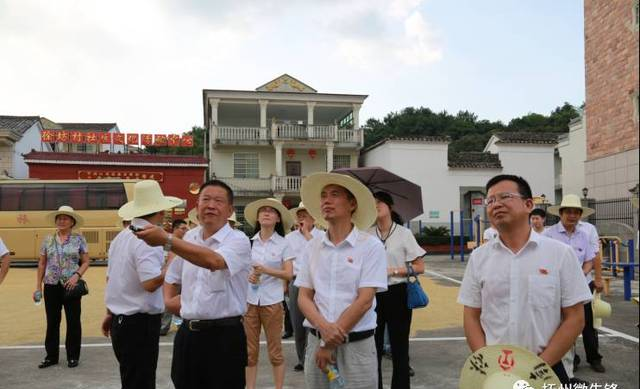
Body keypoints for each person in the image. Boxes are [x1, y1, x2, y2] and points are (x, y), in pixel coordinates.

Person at [457, 175, 592, 385]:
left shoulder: (560, 254)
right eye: (490, 201)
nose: (496, 204)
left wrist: (536, 369)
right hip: (496, 372)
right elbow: (472, 316)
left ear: (529, 204)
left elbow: (575, 318)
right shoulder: (479, 258)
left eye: (504, 197)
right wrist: (486, 361)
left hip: (548, 367)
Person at [134, 180, 251, 389]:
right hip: (188, 336)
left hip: (224, 337)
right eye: (205, 199)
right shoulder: (190, 237)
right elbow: (172, 276)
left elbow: (214, 261)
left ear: (230, 210)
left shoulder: (238, 240)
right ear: (197, 207)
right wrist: (169, 301)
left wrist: (167, 240)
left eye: (218, 201)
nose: (211, 205)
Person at [296, 172, 387, 389]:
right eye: (323, 195)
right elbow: (304, 296)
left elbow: (364, 300)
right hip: (316, 342)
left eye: (335, 195)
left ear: (352, 204)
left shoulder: (370, 246)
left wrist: (328, 342)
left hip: (356, 346)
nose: (326, 200)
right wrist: (324, 330)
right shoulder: (312, 247)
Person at [102, 180, 181, 389]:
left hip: (122, 320)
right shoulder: (149, 238)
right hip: (139, 323)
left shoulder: (122, 236)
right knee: (141, 380)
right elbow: (149, 283)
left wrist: (110, 312)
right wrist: (171, 265)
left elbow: (111, 279)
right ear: (160, 210)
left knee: (131, 378)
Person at [369, 191, 425, 389]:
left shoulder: (404, 233)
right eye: (372, 203)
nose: (376, 205)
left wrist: (394, 270)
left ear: (390, 206)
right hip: (372, 295)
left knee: (399, 346)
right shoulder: (366, 233)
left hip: (398, 292)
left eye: (379, 202)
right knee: (372, 347)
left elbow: (420, 267)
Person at [545, 194, 605, 374]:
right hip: (556, 287)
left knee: (586, 323)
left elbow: (590, 260)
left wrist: (581, 275)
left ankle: (594, 358)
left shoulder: (584, 234)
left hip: (582, 286)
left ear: (580, 215)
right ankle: (568, 359)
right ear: (560, 213)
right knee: (559, 324)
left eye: (576, 212)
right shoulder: (549, 235)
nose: (572, 216)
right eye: (568, 212)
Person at [243, 198, 295, 389]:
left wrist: (265, 270)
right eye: (262, 211)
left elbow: (289, 274)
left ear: (278, 219)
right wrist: (250, 277)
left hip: (272, 302)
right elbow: (242, 271)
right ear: (257, 218)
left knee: (275, 351)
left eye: (271, 211)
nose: (266, 213)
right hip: (250, 301)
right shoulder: (249, 243)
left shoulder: (284, 244)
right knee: (249, 352)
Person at [34, 205, 90, 369]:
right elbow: (42, 263)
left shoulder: (79, 239)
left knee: (73, 322)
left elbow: (86, 261)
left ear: (72, 222)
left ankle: (73, 356)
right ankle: (51, 356)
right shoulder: (48, 239)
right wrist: (38, 286)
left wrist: (76, 276)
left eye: (65, 218)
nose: (61, 221)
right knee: (52, 322)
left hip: (71, 285)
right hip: (51, 285)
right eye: (59, 218)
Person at [285, 202, 325, 372]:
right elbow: (285, 262)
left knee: (316, 321)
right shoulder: (289, 238)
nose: (301, 217)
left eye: (305, 214)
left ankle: (316, 355)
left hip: (317, 282)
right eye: (299, 214)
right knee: (298, 323)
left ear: (313, 217)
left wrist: (307, 234)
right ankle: (302, 358)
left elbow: (322, 254)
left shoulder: (322, 235)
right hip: (296, 281)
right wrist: (284, 285)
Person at [159, 219, 189, 336]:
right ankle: (163, 326)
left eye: (186, 229)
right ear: (175, 229)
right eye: (183, 228)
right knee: (168, 302)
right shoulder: (168, 241)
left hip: (183, 276)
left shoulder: (186, 241)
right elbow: (164, 258)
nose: (185, 231)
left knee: (182, 300)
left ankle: (181, 324)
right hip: (170, 277)